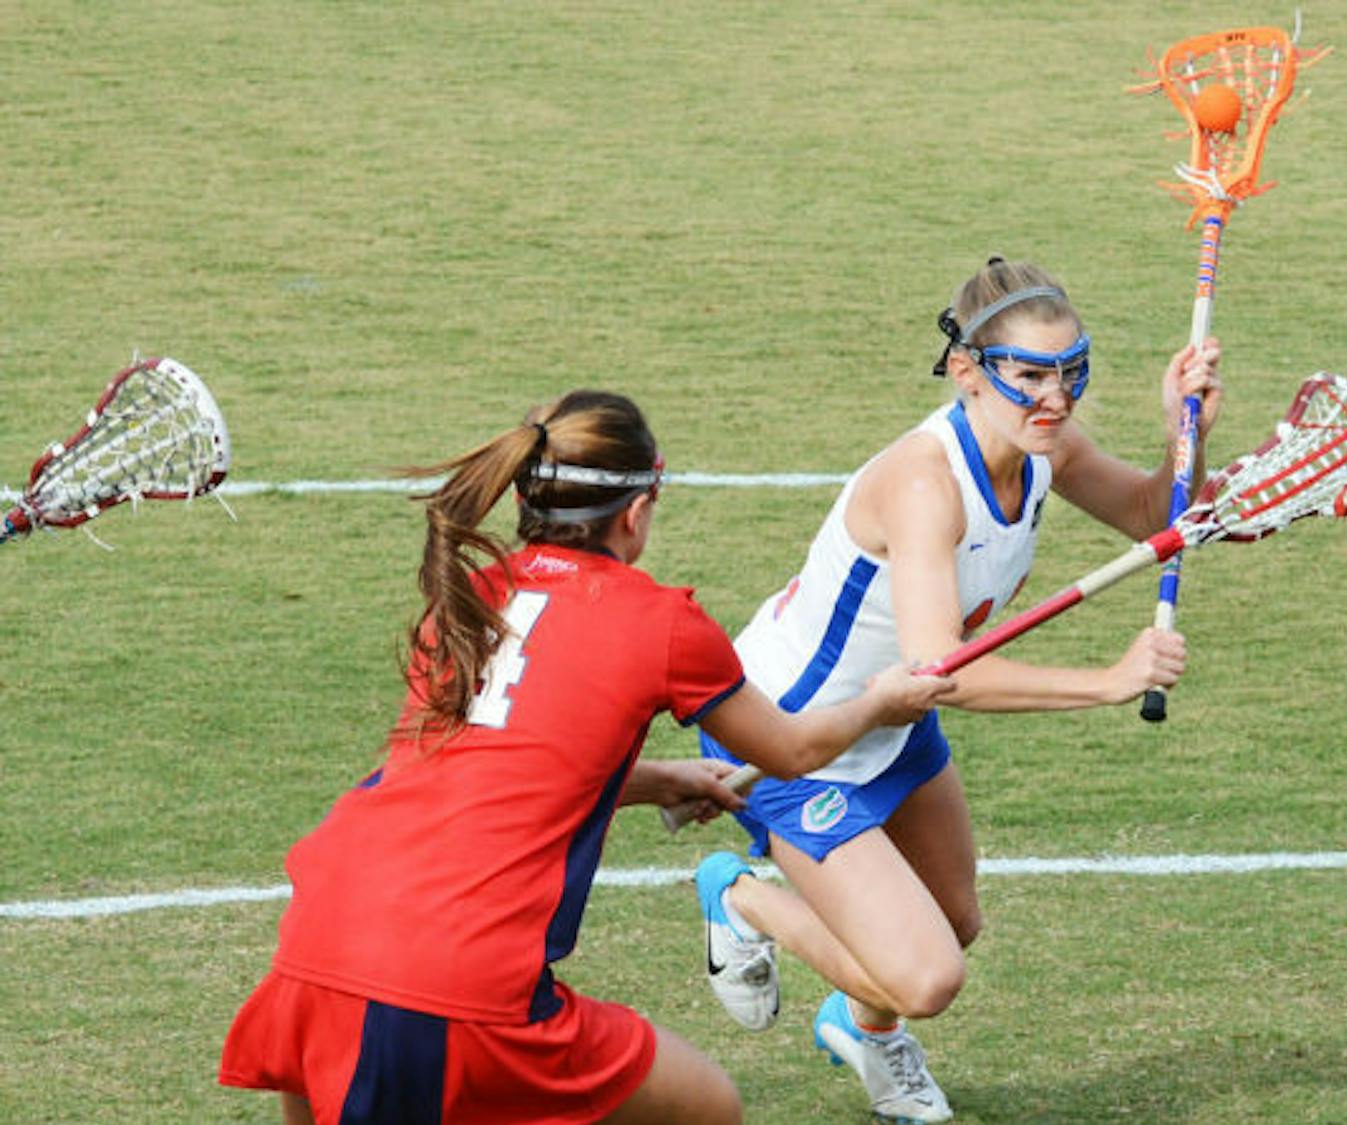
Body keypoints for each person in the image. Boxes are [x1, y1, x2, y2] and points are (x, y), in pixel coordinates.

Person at [218, 389, 954, 1125]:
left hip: (321, 940)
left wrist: (657, 780)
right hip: (456, 974)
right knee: (708, 1108)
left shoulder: (471, 597)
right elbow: (792, 750)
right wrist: (881, 702)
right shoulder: (662, 621)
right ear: (635, 514)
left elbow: (491, 763)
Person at [693, 255, 1224, 1122]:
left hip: (889, 719)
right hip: (792, 736)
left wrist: (1181, 431)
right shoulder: (924, 483)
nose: (1055, 398)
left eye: (1072, 371)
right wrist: (1107, 683)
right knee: (930, 974)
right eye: (1030, 377)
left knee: (954, 918)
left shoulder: (1043, 444)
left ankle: (862, 1030)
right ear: (967, 370)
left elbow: (1152, 514)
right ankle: (740, 895)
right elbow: (943, 664)